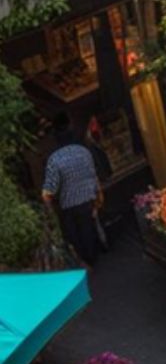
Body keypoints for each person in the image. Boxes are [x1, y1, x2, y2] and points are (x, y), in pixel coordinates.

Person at [42, 112, 104, 267]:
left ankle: (85, 265)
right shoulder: (84, 152)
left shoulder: (54, 160)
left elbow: (48, 193)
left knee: (77, 241)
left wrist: (50, 212)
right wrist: (98, 198)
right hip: (88, 203)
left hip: (69, 209)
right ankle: (94, 262)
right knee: (89, 236)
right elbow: (94, 177)